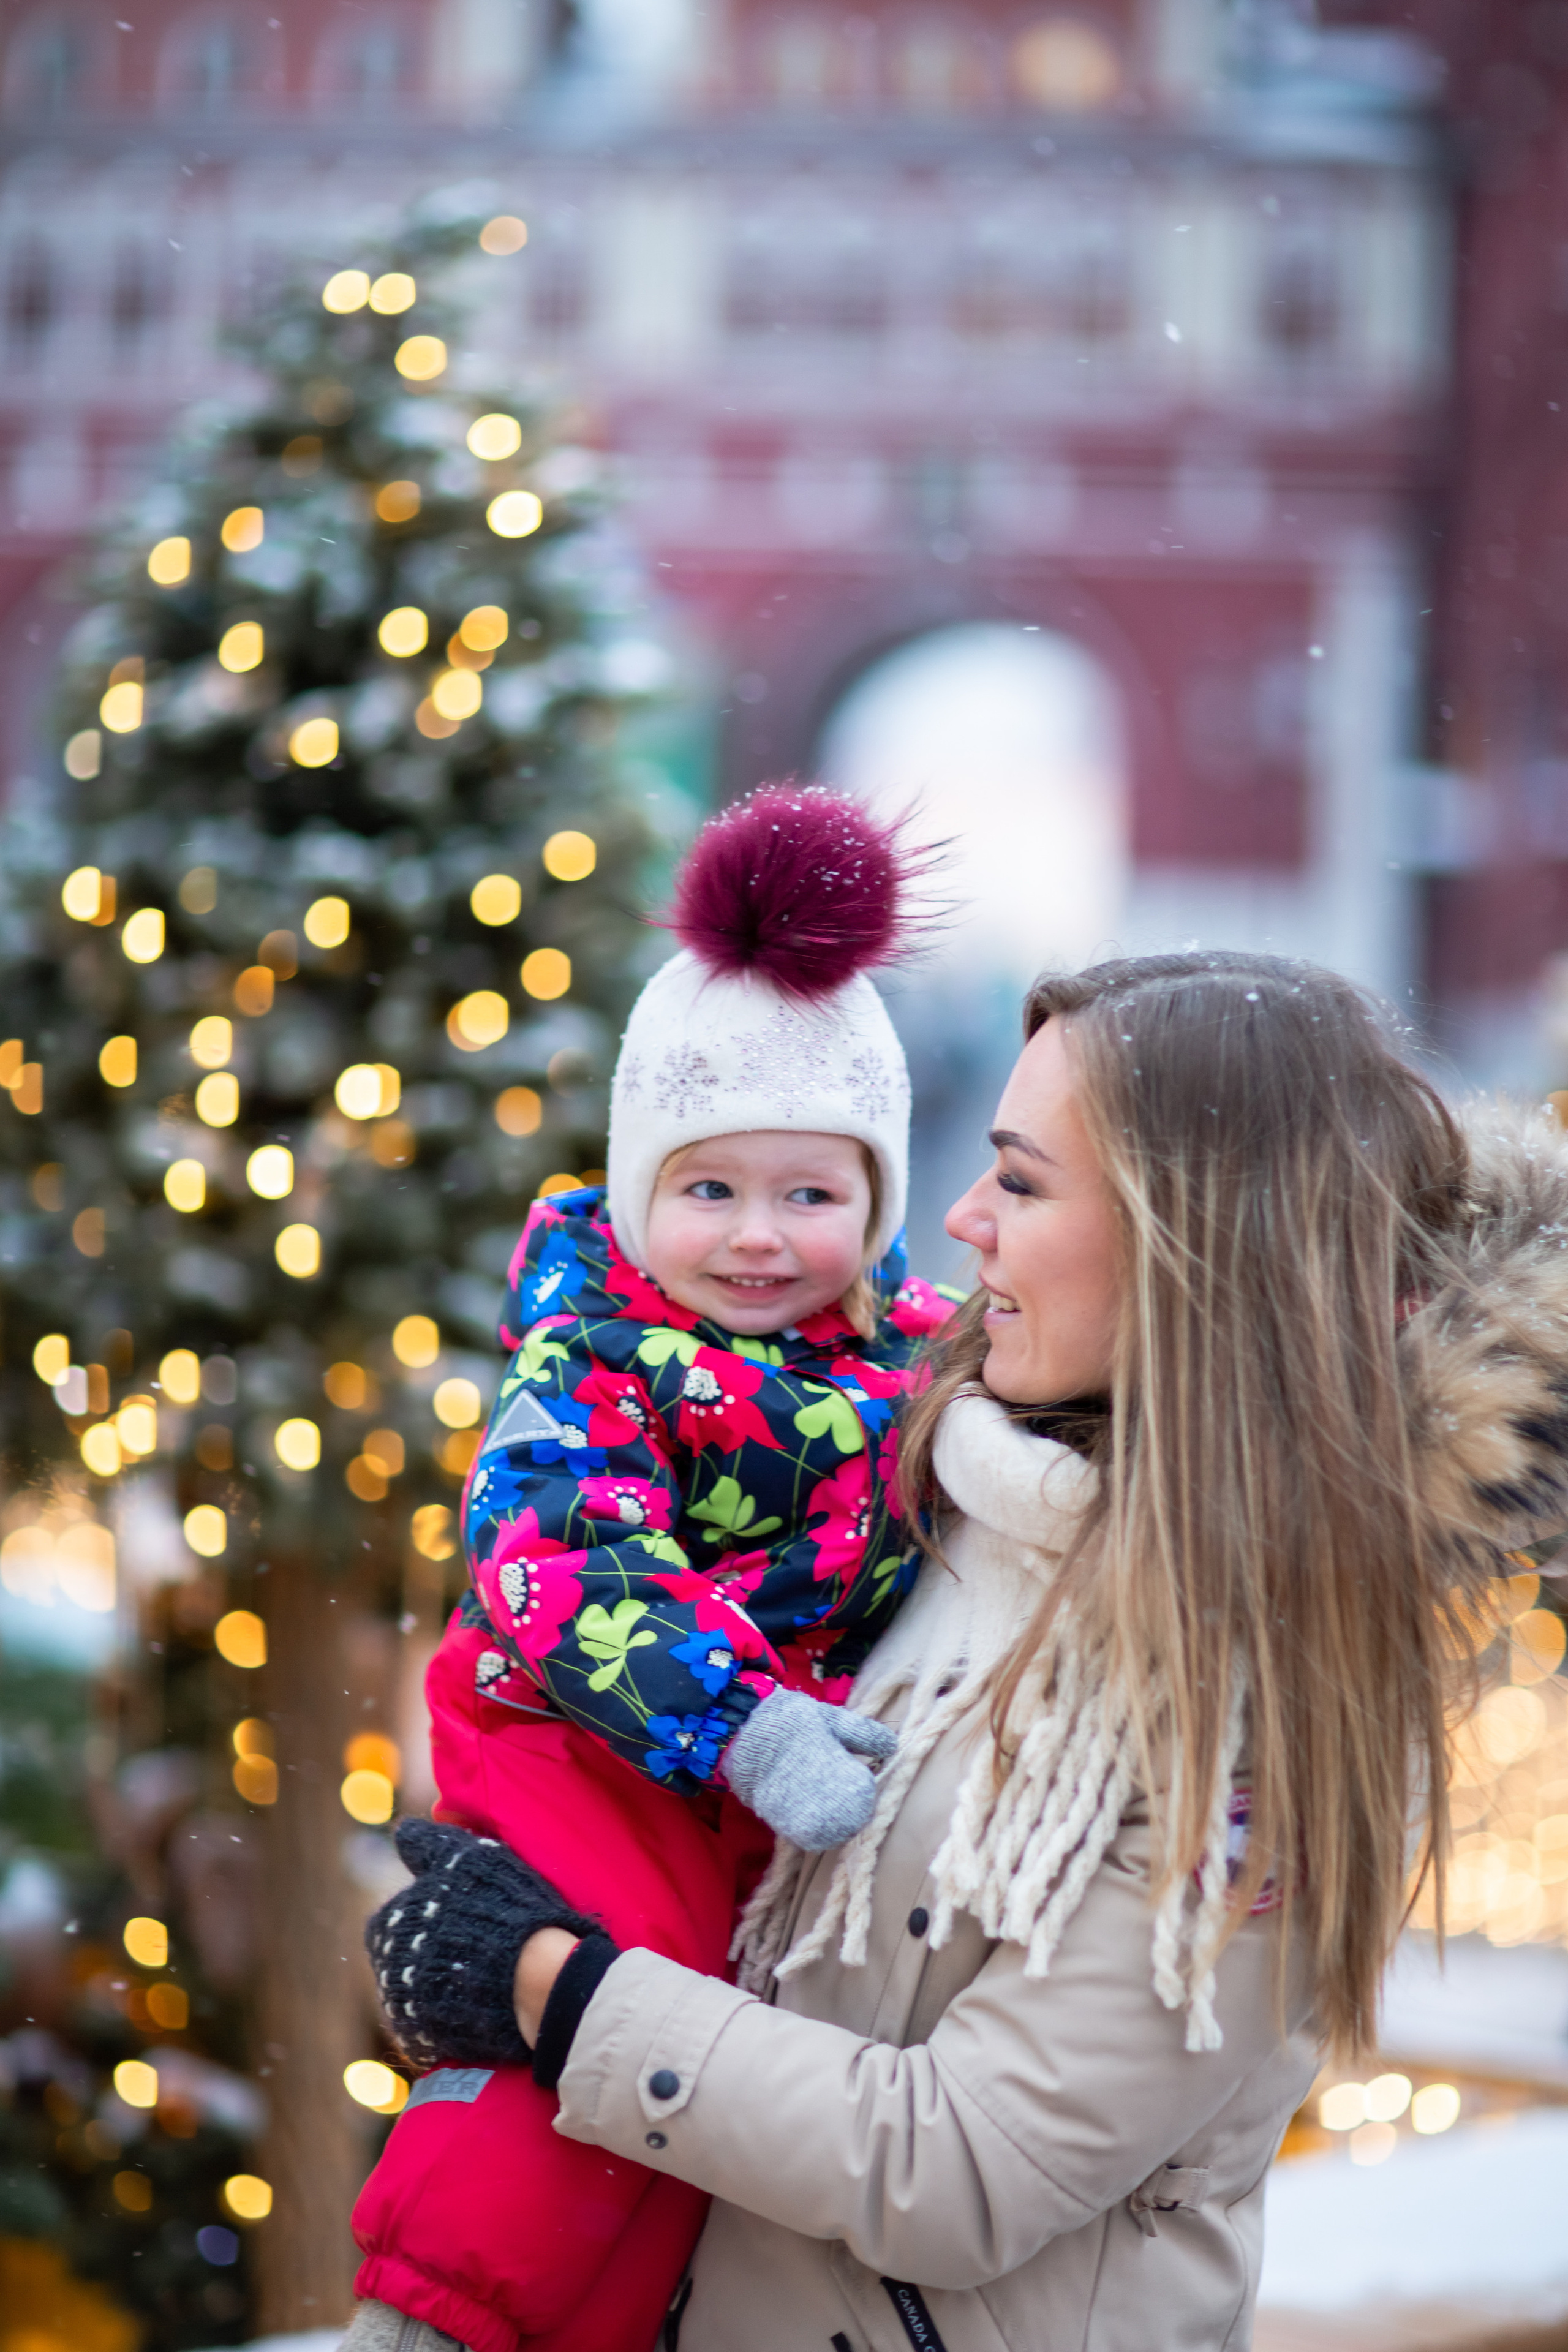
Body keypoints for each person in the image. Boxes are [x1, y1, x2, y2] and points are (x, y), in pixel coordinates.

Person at [368, 951, 1568, 2351]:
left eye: (1019, 1178)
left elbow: (963, 2168)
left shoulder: (1268, 1684)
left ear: (1185, 1235)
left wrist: (553, 1991)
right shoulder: (936, 1488)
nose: (956, 1218)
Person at [348, 788, 954, 2352]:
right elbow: (561, 1556)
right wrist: (745, 1725)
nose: (756, 1239)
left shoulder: (913, 1355)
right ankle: (448, 2312)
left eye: (809, 1195)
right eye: (709, 1189)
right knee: (613, 2003)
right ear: (637, 1189)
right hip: (579, 1724)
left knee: (712, 2067)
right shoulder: (595, 1351)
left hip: (747, 1757)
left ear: (874, 1207)